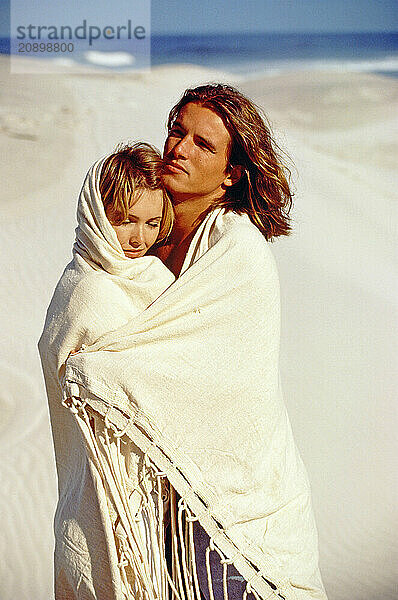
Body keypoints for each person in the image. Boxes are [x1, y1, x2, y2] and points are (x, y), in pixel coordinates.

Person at [63, 84, 328, 600]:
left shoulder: (239, 250)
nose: (178, 148)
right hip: (162, 503)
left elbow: (205, 375)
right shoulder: (143, 239)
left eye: (202, 144)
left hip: (236, 515)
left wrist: (94, 371)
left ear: (231, 172)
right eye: (175, 132)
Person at [38, 142, 175, 599]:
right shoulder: (85, 287)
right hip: (96, 486)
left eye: (152, 223)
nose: (138, 238)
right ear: (98, 214)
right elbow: (61, 362)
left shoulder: (157, 278)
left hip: (152, 492)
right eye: (125, 221)